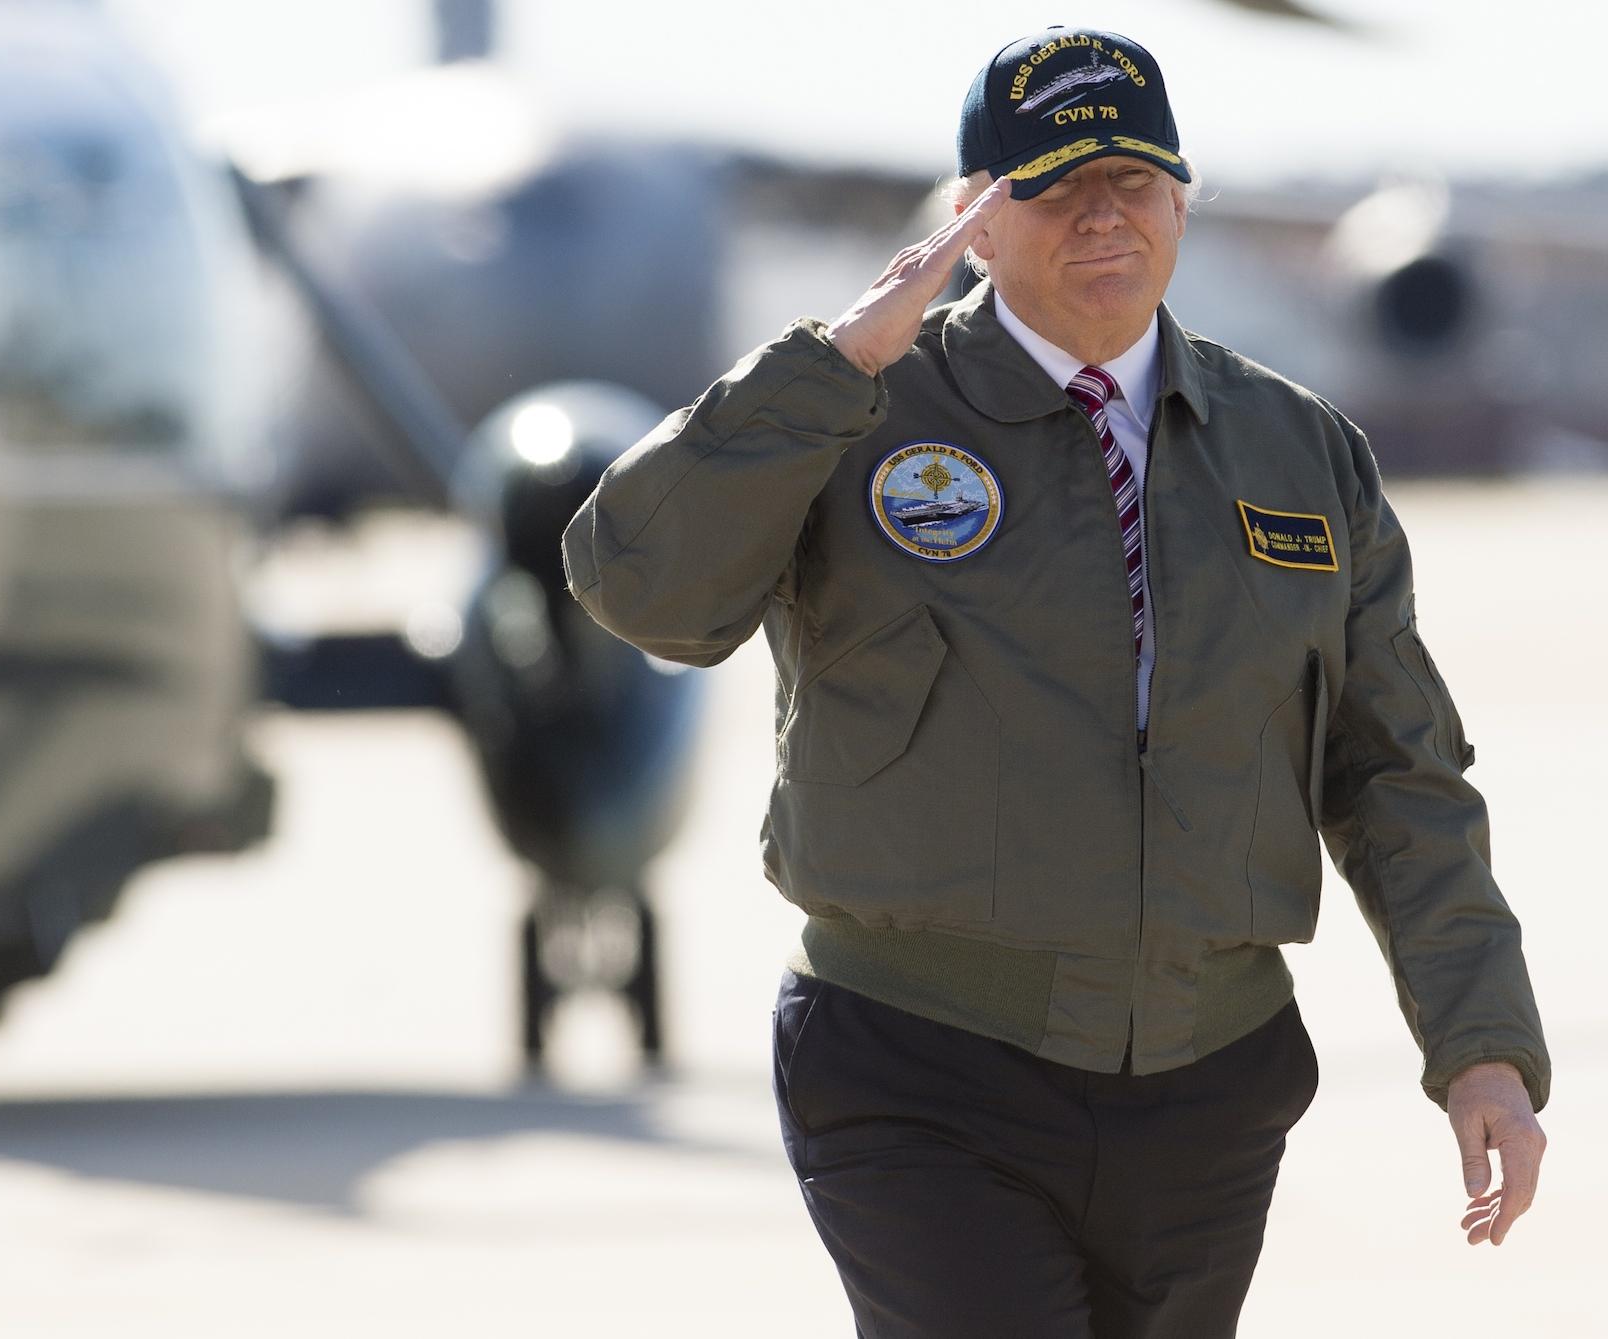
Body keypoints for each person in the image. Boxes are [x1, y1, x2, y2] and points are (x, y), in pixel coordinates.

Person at [560, 24, 1551, 1339]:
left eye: (1133, 181)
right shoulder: (851, 412)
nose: (1103, 217)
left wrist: (1479, 1044)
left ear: (1182, 201)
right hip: (921, 1063)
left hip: (1213, 1079)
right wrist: (824, 371)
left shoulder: (1298, 451)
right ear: (975, 213)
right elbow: (639, 591)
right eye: (1056, 184)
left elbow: (1397, 774)